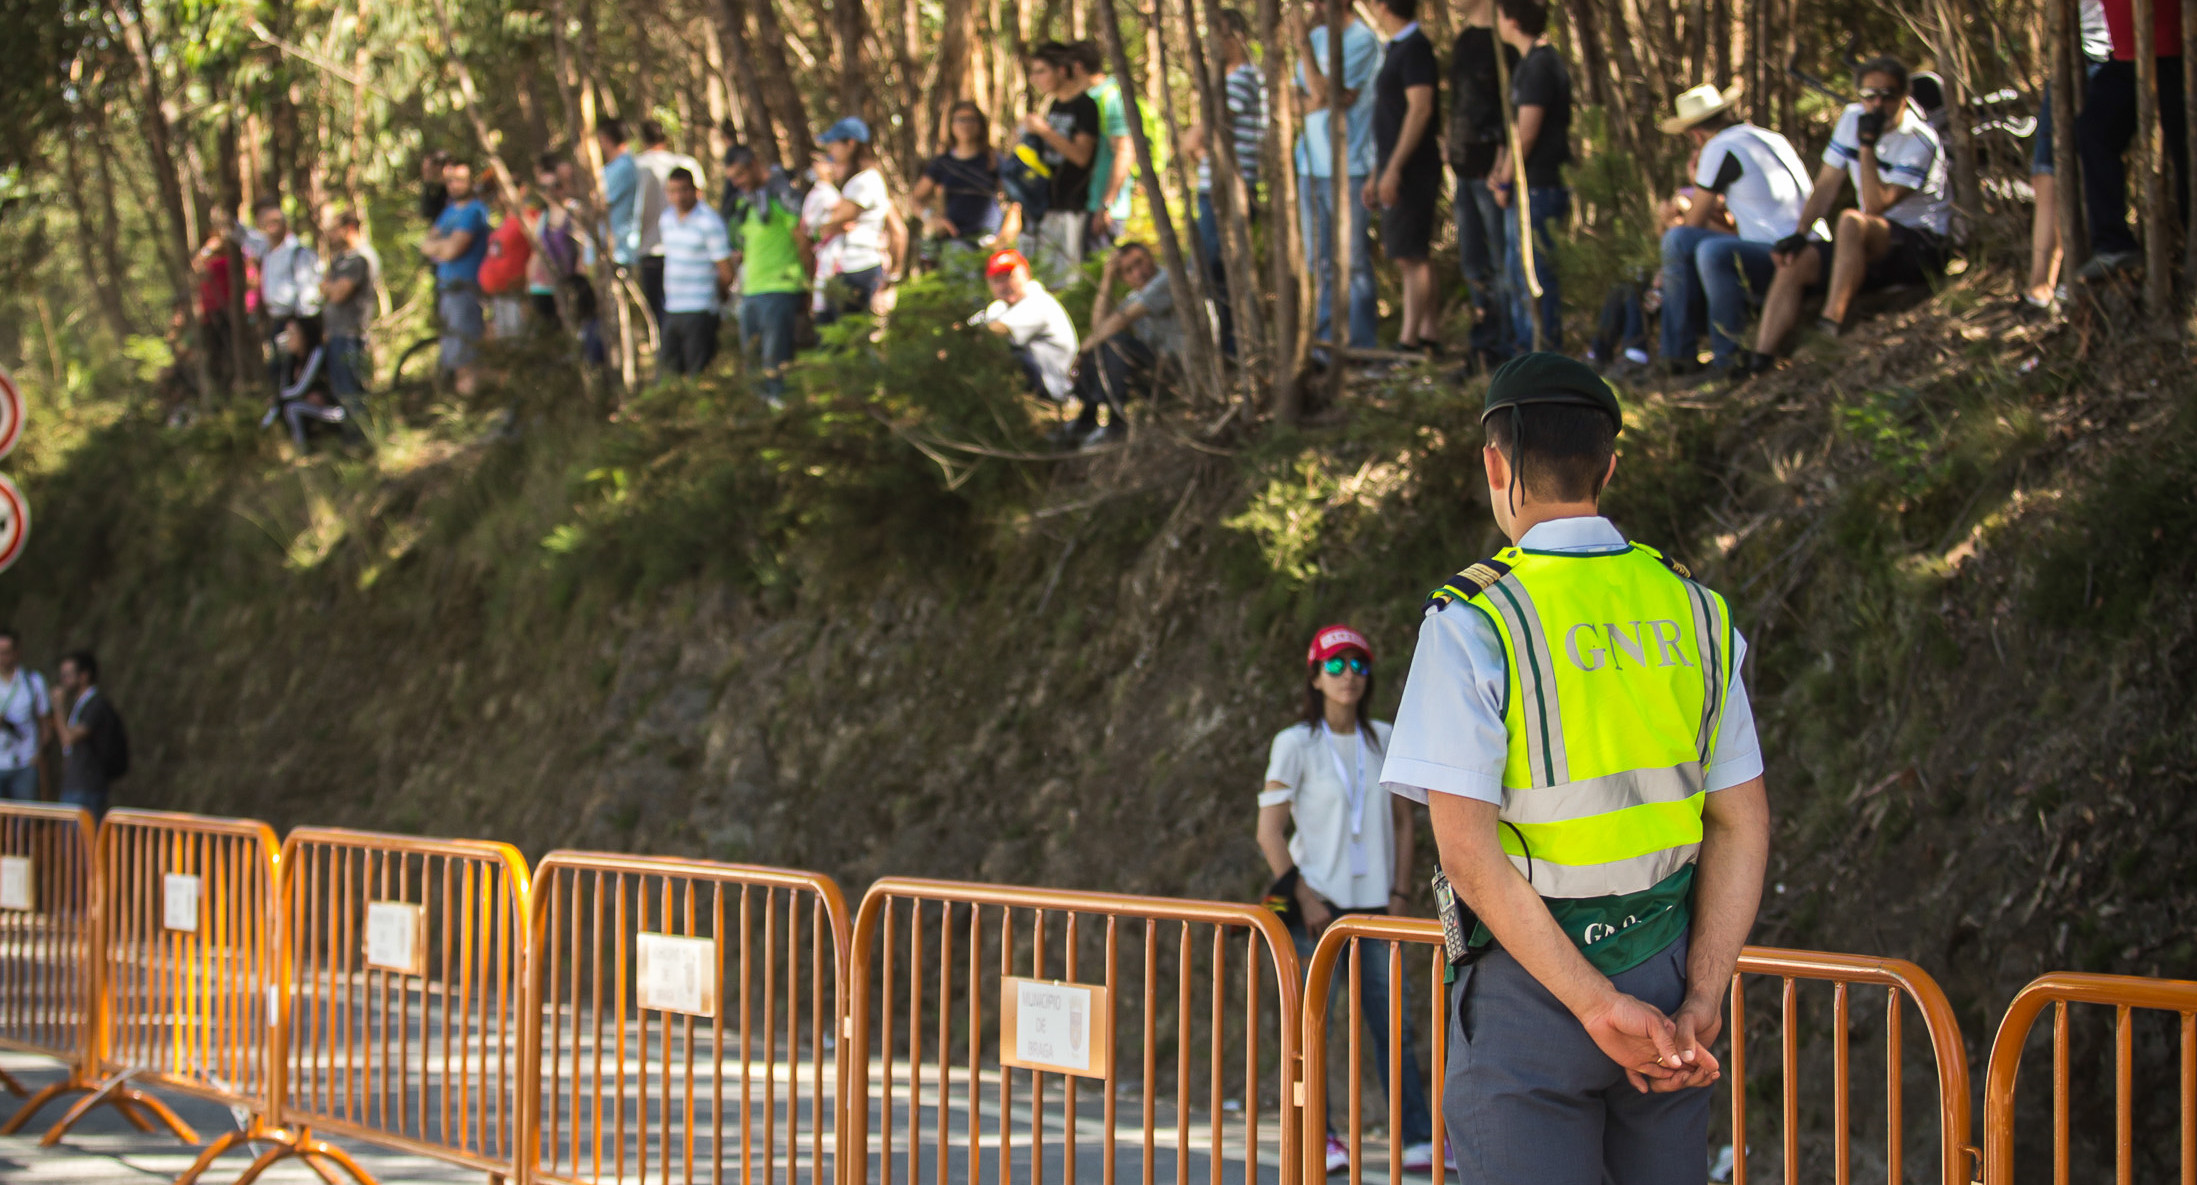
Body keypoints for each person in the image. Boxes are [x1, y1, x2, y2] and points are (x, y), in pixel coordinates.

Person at [1380, 352, 1770, 1185]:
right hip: (1670, 987)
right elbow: (1740, 820)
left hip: (1532, 992)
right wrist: (1700, 998)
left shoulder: (1474, 620)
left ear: (1495, 462)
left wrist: (1594, 1004)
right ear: (1608, 466)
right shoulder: (1694, 610)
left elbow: (1468, 855)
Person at [1258, 624, 1438, 1175]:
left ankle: (1415, 1137)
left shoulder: (1385, 737)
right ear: (1315, 676)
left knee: (1392, 1026)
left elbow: (1405, 822)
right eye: (1335, 667)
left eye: (1358, 665)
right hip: (1318, 911)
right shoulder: (1296, 743)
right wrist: (1304, 897)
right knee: (1313, 1025)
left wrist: (1402, 892)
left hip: (1379, 909)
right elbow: (1269, 832)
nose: (1348, 677)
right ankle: (1321, 1134)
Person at [1740, 57, 1949, 370]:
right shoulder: (1852, 118)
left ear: (1904, 96)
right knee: (1795, 261)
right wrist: (1800, 233)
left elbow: (1877, 205)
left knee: (1851, 220)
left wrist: (1866, 146)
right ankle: (1761, 357)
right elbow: (1826, 185)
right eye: (1869, 95)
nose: (1878, 104)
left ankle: (1830, 324)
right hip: (1867, 241)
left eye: (1888, 95)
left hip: (1919, 242)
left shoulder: (1919, 138)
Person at [1654, 83, 1815, 375]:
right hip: (1812, 246)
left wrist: (1669, 224)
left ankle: (1688, 354)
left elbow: (1694, 224)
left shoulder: (1719, 147)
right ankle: (1702, 352)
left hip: (1779, 253)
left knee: (1685, 242)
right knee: (1705, 247)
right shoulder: (1768, 136)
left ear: (1696, 134)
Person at [1294, 0, 1381, 358]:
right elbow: (1299, 98)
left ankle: (1360, 346)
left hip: (1351, 166)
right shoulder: (1313, 37)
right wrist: (1320, 95)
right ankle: (1326, 348)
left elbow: (1326, 95)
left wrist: (1319, 91)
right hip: (1309, 166)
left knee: (1355, 261)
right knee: (1320, 262)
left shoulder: (1363, 40)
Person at [2076, 0, 2185, 280]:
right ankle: (2114, 246)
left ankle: (2189, 240)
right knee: (2094, 132)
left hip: (2177, 53)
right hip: (2127, 57)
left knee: (2186, 152)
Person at [1490, 0, 1571, 356]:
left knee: (1535, 275)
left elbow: (1527, 131)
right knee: (1517, 273)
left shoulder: (1540, 65)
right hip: (1530, 185)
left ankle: (1542, 355)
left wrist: (1506, 180)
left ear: (1512, 19)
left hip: (1538, 187)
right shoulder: (1530, 64)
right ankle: (1527, 352)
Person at [1185, 9, 1268, 355]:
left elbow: (1201, 134)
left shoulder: (1242, 78)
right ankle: (1227, 348)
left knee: (1216, 271)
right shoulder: (1235, 79)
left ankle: (1234, 349)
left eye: (1217, 37)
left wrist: (1196, 139)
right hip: (1217, 185)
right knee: (1212, 271)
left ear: (1234, 37)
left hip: (1230, 188)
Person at [1367, 0, 1443, 354]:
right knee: (1408, 252)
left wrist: (1394, 168)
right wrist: (1377, 172)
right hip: (1392, 164)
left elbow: (1420, 108)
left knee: (1410, 254)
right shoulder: (1396, 48)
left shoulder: (1416, 49)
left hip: (1414, 168)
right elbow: (1389, 119)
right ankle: (1427, 333)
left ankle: (1410, 339)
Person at [2026, 0, 2112, 306]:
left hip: (2101, 54)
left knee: (2061, 167)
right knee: (2050, 168)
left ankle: (2050, 285)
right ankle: (2042, 286)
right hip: (2082, 50)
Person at [1449, 0, 1519, 369]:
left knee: (1500, 262)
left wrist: (1501, 164)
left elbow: (1512, 110)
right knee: (1475, 264)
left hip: (1493, 172)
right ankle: (1484, 348)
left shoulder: (1504, 40)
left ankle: (1509, 347)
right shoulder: (1464, 41)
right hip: (1464, 169)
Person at [723, 145, 813, 404]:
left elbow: (803, 239)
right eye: (732, 179)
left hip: (780, 288)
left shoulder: (782, 194)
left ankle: (785, 417)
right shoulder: (744, 202)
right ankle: (761, 422)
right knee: (753, 364)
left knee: (777, 363)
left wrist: (807, 282)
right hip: (751, 292)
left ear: (753, 164)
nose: (737, 183)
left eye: (740, 175)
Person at [1064, 241, 1176, 446]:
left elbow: (1120, 321)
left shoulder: (1167, 279)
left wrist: (1081, 352)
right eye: (1128, 271)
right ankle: (1088, 416)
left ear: (1151, 257)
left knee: (1116, 343)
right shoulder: (1134, 296)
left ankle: (1116, 421)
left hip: (1180, 368)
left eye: (1139, 262)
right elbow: (1099, 326)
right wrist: (1107, 279)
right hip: (1158, 367)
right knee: (1105, 342)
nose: (1138, 273)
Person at [1021, 42, 1102, 285]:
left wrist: (1044, 131)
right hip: (1047, 205)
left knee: (1066, 280)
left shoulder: (1085, 106)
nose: (1035, 78)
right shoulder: (1054, 105)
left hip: (1073, 207)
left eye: (1041, 71)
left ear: (1062, 71)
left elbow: (1081, 156)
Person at [969, 248, 1078, 404]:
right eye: (997, 280)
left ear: (1026, 274)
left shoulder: (1038, 301)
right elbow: (968, 328)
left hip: (1054, 391)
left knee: (1004, 353)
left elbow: (996, 331)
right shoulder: (998, 307)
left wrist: (968, 335)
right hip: (1032, 388)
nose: (1004, 285)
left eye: (1009, 277)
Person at [656, 167, 735, 377]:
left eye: (683, 190)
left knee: (698, 375)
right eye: (673, 191)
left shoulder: (709, 222)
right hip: (673, 307)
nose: (678, 197)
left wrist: (716, 297)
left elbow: (726, 271)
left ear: (695, 191)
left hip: (700, 309)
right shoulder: (666, 220)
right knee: (666, 375)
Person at [422, 159, 491, 396]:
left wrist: (441, 248)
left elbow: (453, 249)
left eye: (460, 180)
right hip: (446, 288)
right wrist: (443, 246)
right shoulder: (449, 211)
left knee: (466, 353)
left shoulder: (475, 211)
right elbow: (425, 245)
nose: (455, 185)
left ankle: (473, 404)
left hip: (467, 288)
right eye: (450, 180)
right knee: (451, 350)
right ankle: (461, 403)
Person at [912, 101, 1011, 261]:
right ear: (951, 125)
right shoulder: (943, 164)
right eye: (960, 120)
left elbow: (1014, 199)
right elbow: (916, 199)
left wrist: (1005, 233)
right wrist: (931, 217)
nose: (965, 125)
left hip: (989, 240)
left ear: (980, 125)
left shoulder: (993, 160)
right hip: (955, 240)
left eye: (971, 120)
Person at [635, 121, 706, 329]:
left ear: (642, 140)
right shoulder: (686, 163)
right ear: (665, 138)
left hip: (650, 250)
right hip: (684, 250)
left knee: (661, 313)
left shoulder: (635, 168)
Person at [1072, 41, 1137, 249]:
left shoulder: (1112, 96)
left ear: (1078, 67)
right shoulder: (1088, 98)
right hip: (1090, 204)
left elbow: (1124, 151)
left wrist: (1106, 204)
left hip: (1105, 210)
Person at [258, 198, 322, 390]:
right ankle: (282, 403)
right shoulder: (268, 252)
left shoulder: (298, 252)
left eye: (275, 223)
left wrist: (299, 323)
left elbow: (308, 289)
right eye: (267, 224)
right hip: (278, 319)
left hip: (296, 320)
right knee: (279, 368)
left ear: (284, 225)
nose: (271, 228)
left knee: (297, 369)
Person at [53, 651, 126, 818]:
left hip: (87, 786)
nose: (63, 680)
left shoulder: (95, 706)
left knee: (82, 840)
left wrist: (58, 707)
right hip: (75, 783)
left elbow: (68, 738)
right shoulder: (80, 704)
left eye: (68, 675)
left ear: (84, 675)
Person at [263, 316, 350, 449]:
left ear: (304, 335)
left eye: (292, 334)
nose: (288, 339)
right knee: (283, 406)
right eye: (286, 333)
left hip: (332, 410)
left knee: (291, 408)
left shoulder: (317, 353)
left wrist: (279, 399)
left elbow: (299, 389)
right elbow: (285, 390)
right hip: (307, 406)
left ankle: (303, 450)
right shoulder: (290, 360)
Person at [320, 211, 375, 400]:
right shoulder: (341, 258)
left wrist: (328, 287)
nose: (331, 234)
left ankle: (363, 429)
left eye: (335, 229)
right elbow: (325, 287)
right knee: (341, 392)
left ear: (349, 229)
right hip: (336, 333)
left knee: (353, 393)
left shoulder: (360, 258)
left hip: (351, 334)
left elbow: (337, 294)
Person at [477, 175, 535, 340]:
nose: (502, 195)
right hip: (499, 296)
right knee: (506, 344)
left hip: (517, 294)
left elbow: (537, 249)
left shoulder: (530, 216)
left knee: (519, 341)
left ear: (522, 190)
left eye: (506, 190)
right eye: (500, 191)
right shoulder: (505, 221)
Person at [0, 630, 51, 802]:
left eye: (6, 652)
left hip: (25, 761)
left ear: (16, 652)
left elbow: (45, 721)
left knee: (24, 821)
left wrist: (40, 752)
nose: (3, 657)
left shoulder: (33, 682)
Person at [597, 118, 641, 283]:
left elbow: (601, 203)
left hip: (620, 249)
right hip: (614, 247)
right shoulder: (616, 166)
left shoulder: (622, 167)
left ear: (606, 139)